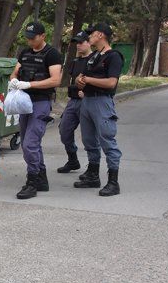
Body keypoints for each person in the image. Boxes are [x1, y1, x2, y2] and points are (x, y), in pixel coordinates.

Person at [8, 21, 63, 199]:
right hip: (24, 101)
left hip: (41, 102)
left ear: (43, 36)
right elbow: (15, 71)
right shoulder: (24, 53)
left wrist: (30, 84)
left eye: (33, 38)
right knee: (28, 143)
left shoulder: (52, 54)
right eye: (28, 38)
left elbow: (56, 80)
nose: (30, 41)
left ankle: (31, 182)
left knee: (30, 144)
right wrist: (14, 81)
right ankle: (41, 178)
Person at [73, 23, 124, 196]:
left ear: (101, 35)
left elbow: (111, 82)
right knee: (89, 140)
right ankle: (93, 175)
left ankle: (113, 182)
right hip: (86, 101)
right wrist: (80, 81)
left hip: (102, 102)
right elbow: (82, 77)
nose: (89, 37)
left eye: (92, 34)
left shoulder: (113, 56)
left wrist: (87, 80)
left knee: (107, 141)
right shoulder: (94, 55)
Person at [57, 30, 92, 174]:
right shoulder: (75, 62)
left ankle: (92, 168)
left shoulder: (94, 60)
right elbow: (73, 81)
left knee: (89, 136)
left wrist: (88, 91)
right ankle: (73, 160)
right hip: (73, 101)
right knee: (64, 130)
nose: (78, 45)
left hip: (87, 101)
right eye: (77, 43)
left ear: (89, 42)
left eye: (81, 42)